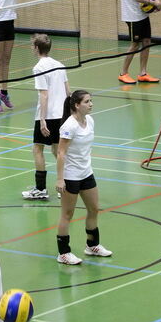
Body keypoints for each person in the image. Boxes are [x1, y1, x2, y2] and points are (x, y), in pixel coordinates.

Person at [55, 90, 113, 265]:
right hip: (71, 176)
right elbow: (61, 152)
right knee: (67, 214)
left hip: (86, 173)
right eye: (87, 102)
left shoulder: (90, 121)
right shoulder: (68, 126)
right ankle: (63, 253)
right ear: (76, 105)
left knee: (94, 208)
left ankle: (92, 245)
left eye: (91, 101)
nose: (91, 104)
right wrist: (60, 178)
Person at [22, 33, 71, 200]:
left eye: (32, 46)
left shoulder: (39, 67)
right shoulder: (60, 65)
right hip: (62, 115)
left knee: (37, 149)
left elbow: (44, 94)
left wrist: (42, 120)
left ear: (36, 48)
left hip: (48, 115)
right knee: (58, 150)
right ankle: (67, 184)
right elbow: (68, 92)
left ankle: (41, 189)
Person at [118, 0, 161, 85]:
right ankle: (123, 73)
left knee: (147, 42)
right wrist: (152, 2)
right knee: (135, 45)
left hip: (142, 15)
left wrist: (155, 2)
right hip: (132, 17)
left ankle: (143, 73)